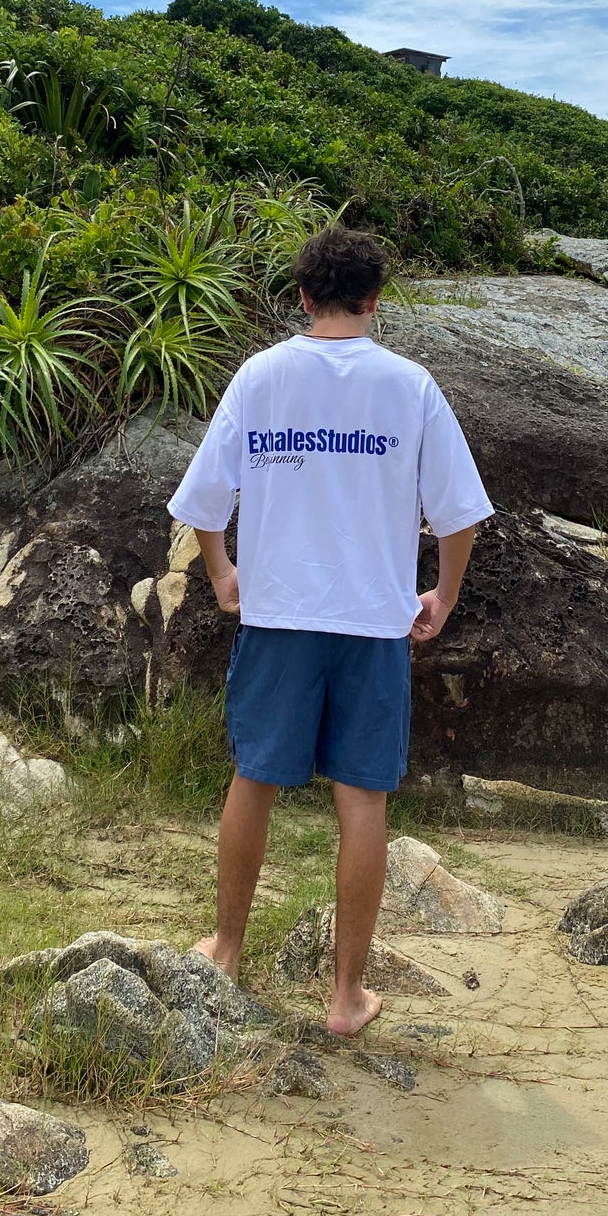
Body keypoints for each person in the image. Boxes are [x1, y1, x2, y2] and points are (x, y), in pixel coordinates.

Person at [167, 225, 493, 1035]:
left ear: (303, 296)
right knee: (362, 797)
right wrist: (442, 598)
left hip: (278, 615)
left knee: (255, 777)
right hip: (371, 623)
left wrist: (221, 574)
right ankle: (346, 996)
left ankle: (228, 949)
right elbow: (459, 516)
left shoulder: (261, 375)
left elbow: (202, 501)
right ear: (375, 299)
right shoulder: (409, 386)